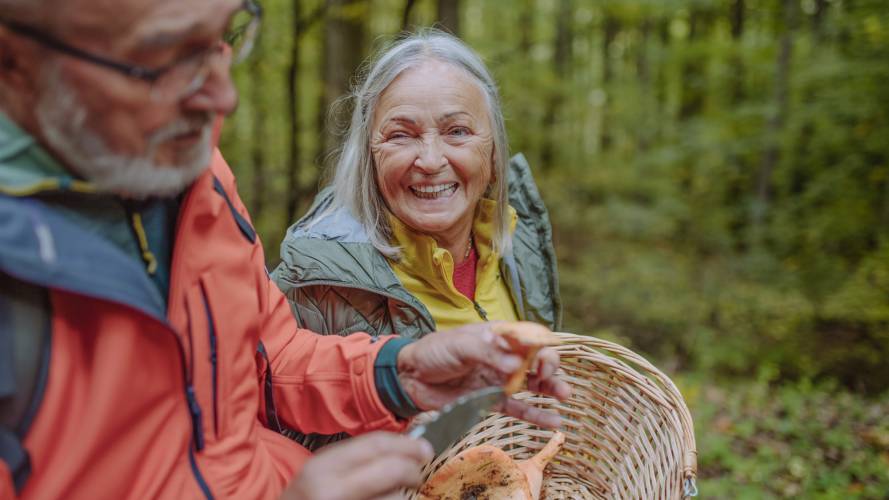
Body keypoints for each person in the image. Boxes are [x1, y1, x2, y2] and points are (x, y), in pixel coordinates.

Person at [0, 1, 571, 499]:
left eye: (223, 37)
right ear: (19, 60)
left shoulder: (198, 177)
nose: (224, 94)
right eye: (166, 56)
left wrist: (397, 373)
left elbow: (267, 359)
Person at [272, 30, 562, 450]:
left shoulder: (522, 240)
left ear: (494, 151)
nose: (429, 160)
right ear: (369, 155)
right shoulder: (313, 284)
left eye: (457, 131)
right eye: (401, 135)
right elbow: (267, 428)